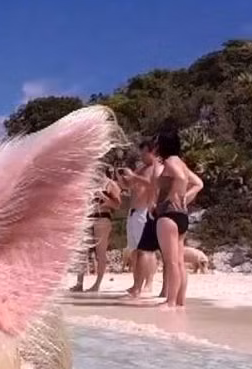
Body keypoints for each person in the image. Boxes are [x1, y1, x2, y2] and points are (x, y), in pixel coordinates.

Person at [150, 130, 203, 309]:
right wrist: (184, 197)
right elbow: (198, 183)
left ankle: (170, 301)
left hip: (168, 215)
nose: (155, 146)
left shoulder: (169, 162)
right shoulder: (181, 162)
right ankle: (180, 300)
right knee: (179, 261)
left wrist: (172, 194)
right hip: (181, 215)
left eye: (157, 143)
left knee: (171, 261)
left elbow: (179, 178)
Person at [116, 139, 163, 298]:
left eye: (144, 153)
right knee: (135, 250)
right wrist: (121, 177)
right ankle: (137, 282)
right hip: (134, 211)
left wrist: (134, 176)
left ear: (152, 152)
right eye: (141, 153)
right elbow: (129, 185)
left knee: (147, 250)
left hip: (144, 210)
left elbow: (153, 184)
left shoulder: (156, 168)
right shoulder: (142, 168)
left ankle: (148, 283)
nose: (142, 156)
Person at [70, 174, 121, 292]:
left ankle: (97, 284)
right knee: (82, 251)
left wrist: (103, 197)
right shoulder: (88, 183)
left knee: (100, 252)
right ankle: (79, 283)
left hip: (102, 217)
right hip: (88, 217)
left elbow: (117, 205)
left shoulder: (110, 184)